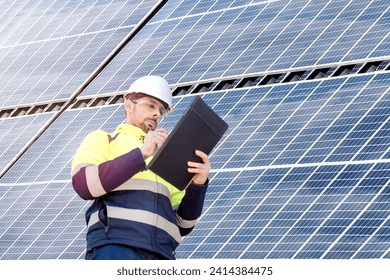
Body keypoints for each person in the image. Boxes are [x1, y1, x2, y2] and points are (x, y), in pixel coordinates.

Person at [71, 75, 210, 260]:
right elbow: (84, 184)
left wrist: (198, 185)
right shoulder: (103, 139)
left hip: (162, 255)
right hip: (116, 248)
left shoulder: (167, 157)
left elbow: (184, 224)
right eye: (151, 105)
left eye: (162, 111)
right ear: (129, 104)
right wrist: (141, 154)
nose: (157, 114)